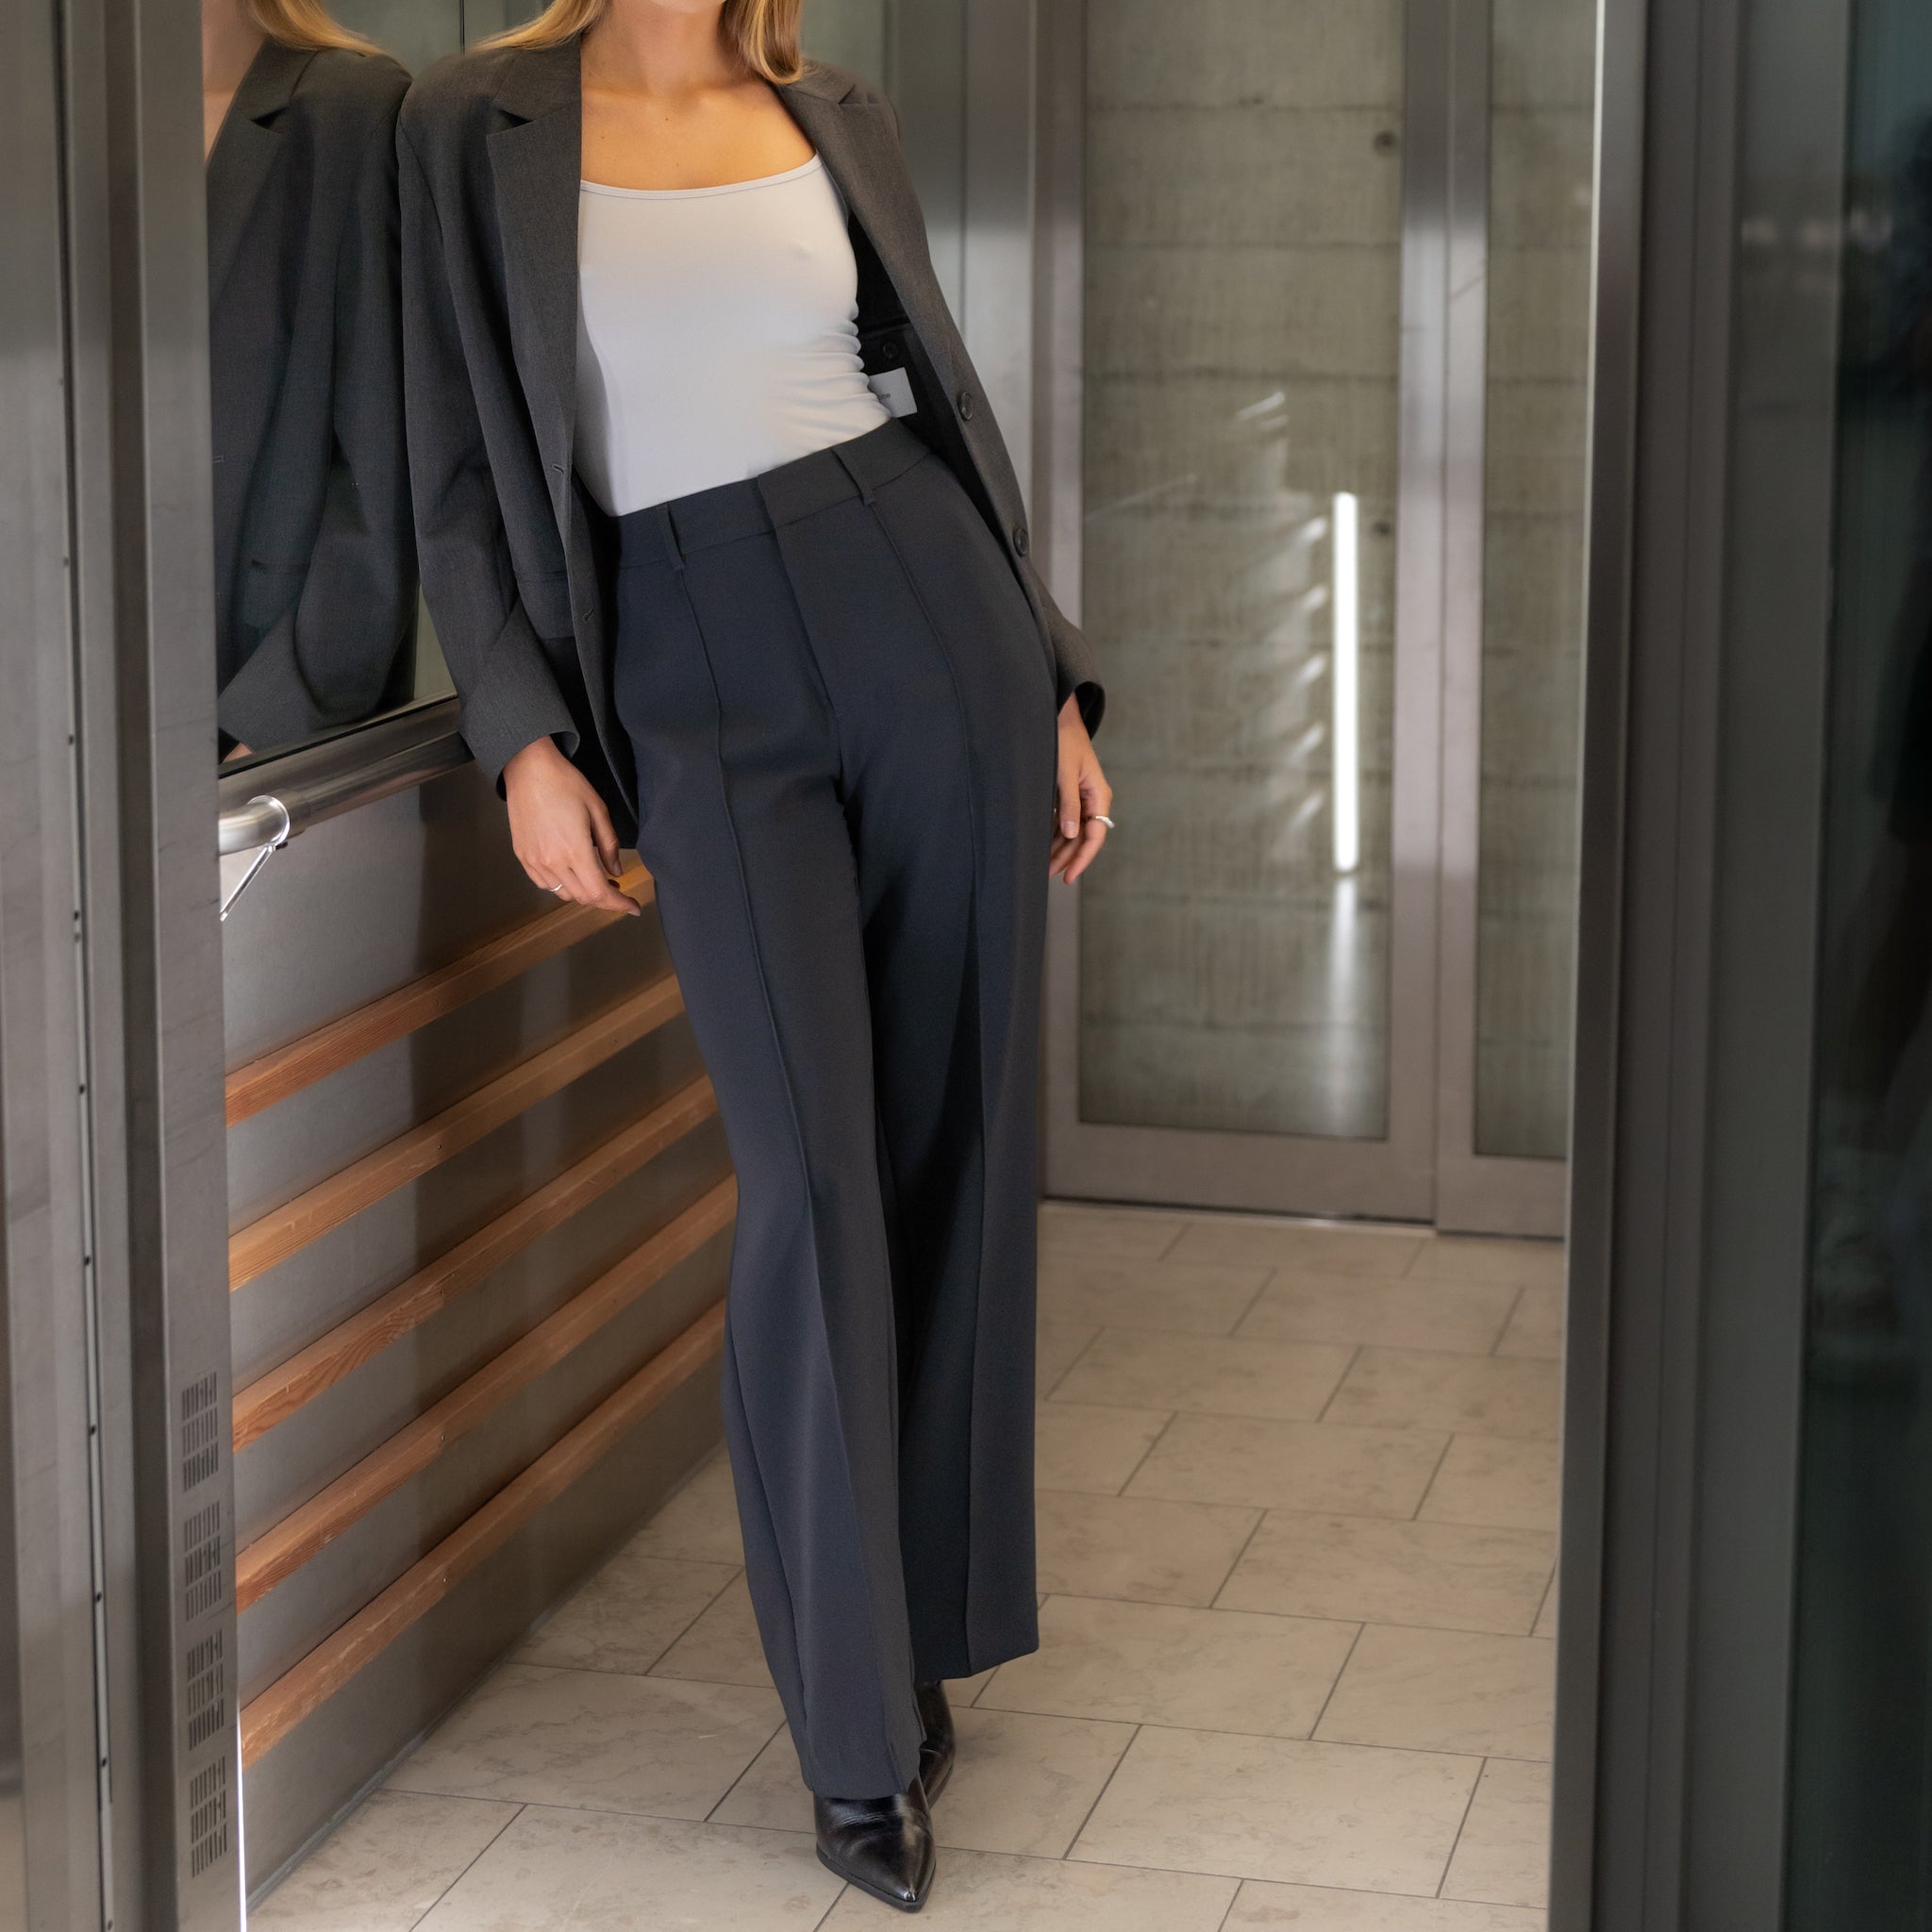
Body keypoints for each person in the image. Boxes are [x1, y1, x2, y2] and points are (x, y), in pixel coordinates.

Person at [395, 0, 1110, 1908]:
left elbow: (940, 402)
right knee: (806, 1179)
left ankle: (918, 1630)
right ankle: (850, 1732)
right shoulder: (472, 124)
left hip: (922, 610)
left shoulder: (829, 104)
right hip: (685, 663)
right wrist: (520, 734)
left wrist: (1044, 681)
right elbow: (450, 455)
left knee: (948, 1135)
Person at [203, 0, 417, 759]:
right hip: (62, 694)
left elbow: (386, 458)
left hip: (259, 702)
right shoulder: (49, 122)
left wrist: (280, 712)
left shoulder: (350, 108)